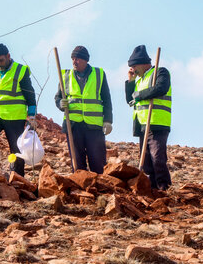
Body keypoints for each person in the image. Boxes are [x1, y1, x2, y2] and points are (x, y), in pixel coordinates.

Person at [0, 43, 36, 176]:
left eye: (1, 60)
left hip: (14, 117)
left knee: (16, 149)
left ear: (8, 56)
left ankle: (16, 177)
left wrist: (32, 116)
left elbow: (30, 95)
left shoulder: (21, 70)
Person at [54, 46, 113, 174]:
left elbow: (107, 100)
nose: (75, 61)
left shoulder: (99, 74)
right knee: (77, 162)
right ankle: (80, 190)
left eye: (78, 59)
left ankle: (100, 188)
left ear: (86, 60)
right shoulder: (66, 76)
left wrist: (108, 121)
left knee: (97, 161)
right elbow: (58, 97)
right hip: (73, 125)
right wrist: (60, 103)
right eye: (73, 59)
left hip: (94, 126)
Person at [125, 45, 172, 191]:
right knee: (146, 162)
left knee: (157, 158)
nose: (133, 69)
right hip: (142, 124)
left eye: (134, 66)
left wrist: (140, 95)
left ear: (143, 63)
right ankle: (152, 189)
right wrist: (131, 81)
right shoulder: (139, 80)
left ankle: (164, 188)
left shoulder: (160, 72)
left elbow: (160, 88)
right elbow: (130, 100)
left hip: (157, 122)